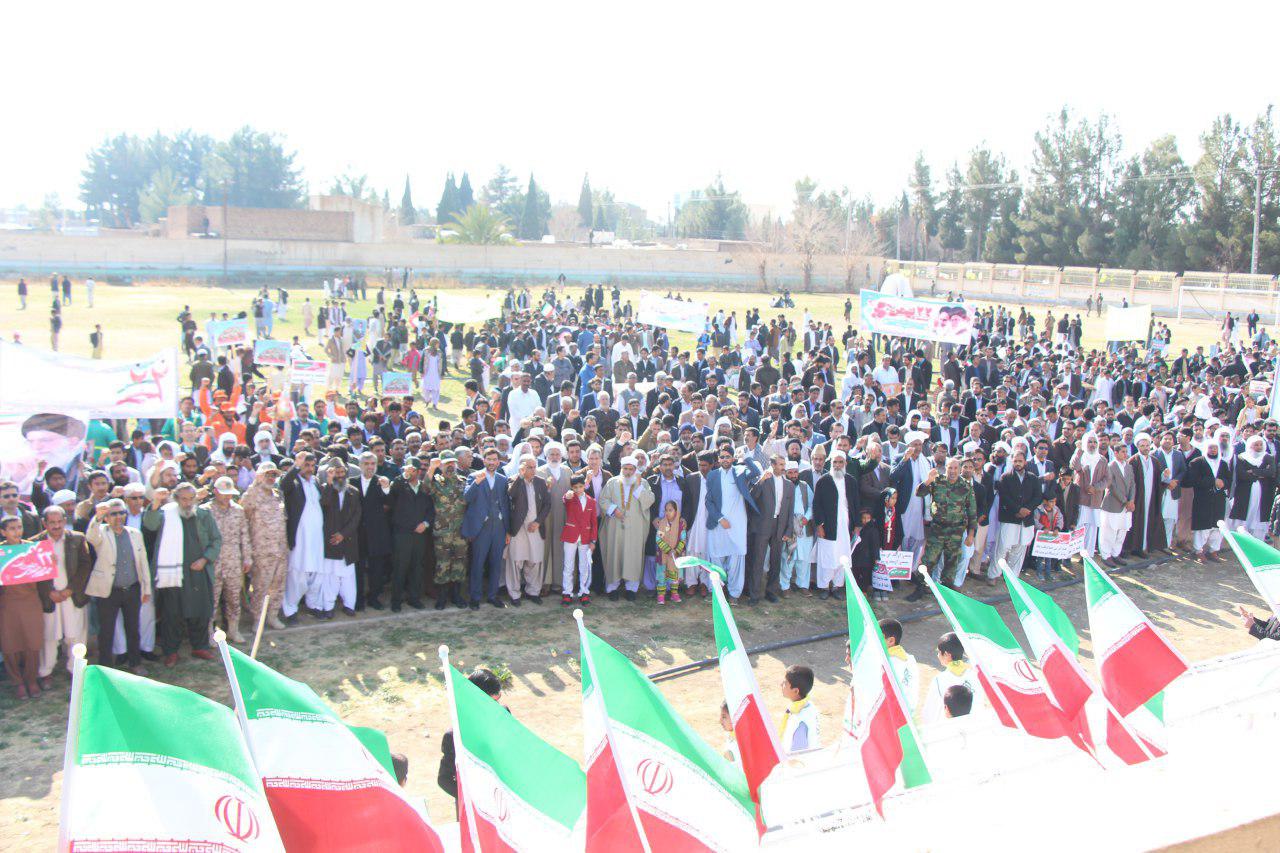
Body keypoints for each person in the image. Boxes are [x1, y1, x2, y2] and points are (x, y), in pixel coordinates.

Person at [143, 482, 222, 666]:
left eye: (190, 499)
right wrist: (155, 503)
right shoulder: (166, 513)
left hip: (198, 571)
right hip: (172, 573)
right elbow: (150, 524)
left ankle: (200, 646)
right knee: (172, 613)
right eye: (183, 499)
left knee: (200, 610)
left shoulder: (203, 515)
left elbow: (216, 539)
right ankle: (171, 651)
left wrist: (205, 559)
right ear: (176, 499)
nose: (187, 503)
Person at [85, 497, 151, 674]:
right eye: (113, 514)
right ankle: (106, 667)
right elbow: (90, 536)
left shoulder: (135, 534)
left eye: (122, 513)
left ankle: (135, 663)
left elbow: (143, 562)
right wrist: (97, 517)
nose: (118, 517)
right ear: (107, 517)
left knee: (133, 628)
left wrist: (146, 588)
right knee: (106, 631)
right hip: (109, 591)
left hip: (132, 589)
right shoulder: (102, 533)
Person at [35, 505, 91, 686]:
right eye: (52, 523)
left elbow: (85, 566)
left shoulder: (76, 539)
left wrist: (70, 590)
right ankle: (45, 672)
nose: (56, 526)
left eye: (59, 522)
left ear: (65, 521)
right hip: (49, 598)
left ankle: (75, 669)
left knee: (75, 635)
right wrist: (48, 592)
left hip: (71, 596)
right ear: (44, 523)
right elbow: (33, 572)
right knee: (49, 637)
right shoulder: (35, 543)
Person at [0, 516, 51, 698]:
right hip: (8, 605)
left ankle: (31, 679)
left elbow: (44, 577)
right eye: (12, 528)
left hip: (31, 603)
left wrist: (50, 562)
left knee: (33, 642)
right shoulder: (1, 552)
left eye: (19, 527)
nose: (17, 531)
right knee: (10, 644)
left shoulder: (33, 549)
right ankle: (18, 682)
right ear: (3, 532)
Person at [438, 667, 505, 803]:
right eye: (490, 702)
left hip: (502, 801)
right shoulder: (454, 736)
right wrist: (473, 797)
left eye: (497, 700)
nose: (496, 706)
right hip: (474, 808)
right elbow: (444, 780)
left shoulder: (504, 715)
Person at [240, 462, 288, 630]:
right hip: (261, 551)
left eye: (273, 475)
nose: (271, 478)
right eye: (267, 474)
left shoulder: (277, 495)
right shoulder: (251, 495)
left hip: (280, 550)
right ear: (259, 476)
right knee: (260, 587)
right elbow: (242, 520)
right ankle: (257, 620)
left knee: (278, 586)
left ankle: (272, 616)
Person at [461, 448, 511, 610]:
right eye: (488, 459)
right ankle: (475, 597)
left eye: (494, 460)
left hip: (499, 527)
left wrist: (508, 530)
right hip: (481, 528)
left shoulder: (503, 479)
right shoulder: (473, 476)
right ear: (484, 461)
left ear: (498, 461)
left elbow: (506, 505)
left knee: (496, 563)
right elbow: (466, 498)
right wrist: (477, 483)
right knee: (478, 563)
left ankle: (492, 595)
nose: (491, 462)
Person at [600, 456, 654, 601]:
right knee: (614, 555)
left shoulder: (642, 483)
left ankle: (631, 588)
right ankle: (612, 588)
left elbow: (649, 501)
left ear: (636, 470)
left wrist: (638, 486)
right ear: (621, 469)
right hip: (615, 526)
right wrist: (613, 509)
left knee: (633, 555)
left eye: (631, 469)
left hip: (635, 527)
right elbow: (603, 500)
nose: (628, 472)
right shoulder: (612, 482)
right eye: (625, 469)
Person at [206, 476, 252, 643]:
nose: (227, 497)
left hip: (233, 562)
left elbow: (244, 535)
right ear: (216, 492)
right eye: (224, 493)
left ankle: (233, 630)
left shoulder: (238, 510)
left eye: (229, 493)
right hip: (214, 563)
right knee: (212, 599)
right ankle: (210, 634)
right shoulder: (206, 510)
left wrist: (247, 558)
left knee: (233, 598)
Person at [387, 458, 431, 612]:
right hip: (402, 534)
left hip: (419, 535)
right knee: (400, 567)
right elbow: (392, 495)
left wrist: (425, 524)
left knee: (417, 567)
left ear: (419, 471)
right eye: (407, 468)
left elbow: (430, 510)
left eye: (412, 469)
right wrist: (403, 476)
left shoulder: (424, 489)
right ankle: (396, 600)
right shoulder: (399, 485)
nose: (409, 471)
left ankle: (414, 598)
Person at [425, 452, 468, 609]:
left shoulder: (463, 481)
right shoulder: (436, 482)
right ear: (441, 465)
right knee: (442, 563)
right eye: (446, 463)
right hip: (442, 532)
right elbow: (424, 488)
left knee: (459, 563)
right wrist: (431, 469)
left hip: (460, 531)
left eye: (453, 463)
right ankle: (442, 597)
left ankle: (456, 595)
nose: (450, 466)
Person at [506, 454, 550, 605]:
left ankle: (533, 592)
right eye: (528, 467)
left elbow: (547, 505)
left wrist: (538, 522)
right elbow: (510, 495)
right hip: (518, 529)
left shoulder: (540, 482)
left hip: (535, 528)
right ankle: (514, 594)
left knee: (535, 561)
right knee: (516, 561)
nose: (532, 470)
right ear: (522, 468)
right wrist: (520, 476)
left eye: (533, 467)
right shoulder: (514, 480)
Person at [1185, 437, 1231, 562]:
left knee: (1217, 526)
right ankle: (1198, 550)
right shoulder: (1197, 462)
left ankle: (1213, 550)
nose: (1213, 450)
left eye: (1215, 447)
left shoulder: (1223, 463)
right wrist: (1213, 481)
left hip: (1218, 499)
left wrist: (1223, 483)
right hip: (1203, 498)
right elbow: (1193, 480)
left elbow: (1229, 480)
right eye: (1211, 447)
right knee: (1202, 526)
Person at [922, 632, 979, 724]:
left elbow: (929, 713)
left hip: (951, 730)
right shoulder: (975, 675)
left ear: (947, 655)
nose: (938, 656)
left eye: (939, 652)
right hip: (974, 725)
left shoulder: (939, 680)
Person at [561, 472, 598, 605]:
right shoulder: (570, 498)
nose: (577, 489)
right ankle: (567, 593)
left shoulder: (592, 501)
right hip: (570, 536)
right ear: (571, 487)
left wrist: (593, 540)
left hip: (586, 538)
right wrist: (567, 495)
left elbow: (594, 522)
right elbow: (565, 499)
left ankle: (584, 592)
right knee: (568, 566)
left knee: (584, 566)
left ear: (585, 486)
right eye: (575, 487)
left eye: (580, 487)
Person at [779, 664, 821, 754]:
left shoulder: (800, 722)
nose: (781, 684)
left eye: (785, 683)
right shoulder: (808, 705)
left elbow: (797, 755)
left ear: (796, 691)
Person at [880, 618, 918, 715]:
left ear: (891, 641)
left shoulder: (885, 663)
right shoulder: (910, 659)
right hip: (909, 715)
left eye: (878, 637)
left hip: (892, 717)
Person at [654, 499, 687, 604]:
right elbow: (658, 539)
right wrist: (668, 550)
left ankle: (674, 594)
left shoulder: (681, 525)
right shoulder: (662, 523)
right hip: (664, 555)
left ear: (676, 511)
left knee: (674, 574)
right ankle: (661, 596)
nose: (667, 513)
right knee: (662, 575)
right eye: (666, 510)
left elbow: (683, 540)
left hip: (675, 556)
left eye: (670, 510)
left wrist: (676, 551)